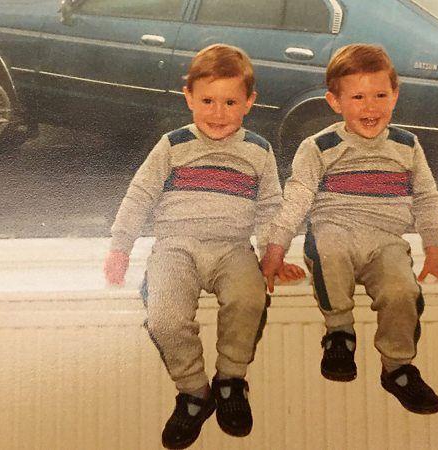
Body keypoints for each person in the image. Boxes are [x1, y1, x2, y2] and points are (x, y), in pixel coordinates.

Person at [103, 44, 304, 448]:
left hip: (233, 248)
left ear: (249, 102)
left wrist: (273, 253)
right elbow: (139, 194)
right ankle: (194, 391)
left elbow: (270, 208)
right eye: (207, 100)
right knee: (165, 316)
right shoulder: (173, 145)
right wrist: (120, 247)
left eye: (230, 101)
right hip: (175, 248)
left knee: (250, 299)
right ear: (189, 97)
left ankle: (231, 380)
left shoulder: (258, 151)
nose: (218, 112)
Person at [260, 44, 438, 415]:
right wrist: (274, 252)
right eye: (357, 96)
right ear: (335, 101)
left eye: (380, 95)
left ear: (395, 96)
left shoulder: (407, 145)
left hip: (386, 240)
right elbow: (294, 200)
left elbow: (426, 198)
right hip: (332, 229)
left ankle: (398, 367)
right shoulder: (319, 147)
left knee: (403, 291)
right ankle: (339, 333)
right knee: (332, 250)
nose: (370, 107)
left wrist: (434, 253)